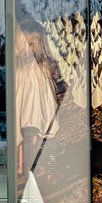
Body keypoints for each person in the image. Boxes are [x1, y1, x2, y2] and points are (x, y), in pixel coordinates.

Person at [13, 17, 60, 180]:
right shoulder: (46, 65)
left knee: (19, 132)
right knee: (43, 135)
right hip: (40, 109)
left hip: (23, 107)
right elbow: (56, 87)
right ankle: (47, 165)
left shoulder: (18, 67)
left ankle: (21, 166)